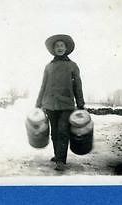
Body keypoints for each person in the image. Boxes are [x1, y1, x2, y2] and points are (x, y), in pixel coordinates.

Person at [35, 34, 85, 171]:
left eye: (62, 46)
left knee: (63, 131)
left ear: (66, 48)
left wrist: (80, 104)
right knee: (54, 133)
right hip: (50, 104)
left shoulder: (73, 66)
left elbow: (78, 86)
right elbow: (43, 86)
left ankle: (61, 160)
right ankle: (58, 155)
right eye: (57, 46)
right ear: (53, 49)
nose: (59, 48)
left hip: (66, 105)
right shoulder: (48, 67)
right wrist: (38, 103)